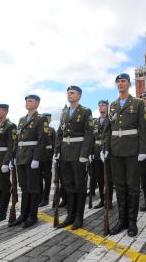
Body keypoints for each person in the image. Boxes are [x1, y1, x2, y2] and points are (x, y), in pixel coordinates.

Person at [102, 73, 146, 237]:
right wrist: (105, 148)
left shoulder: (137, 103)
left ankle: (132, 222)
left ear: (129, 84)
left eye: (123, 81)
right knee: (120, 186)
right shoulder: (112, 105)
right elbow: (107, 130)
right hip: (116, 150)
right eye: (118, 82)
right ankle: (122, 220)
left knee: (133, 187)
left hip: (132, 149)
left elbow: (143, 128)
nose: (120, 83)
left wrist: (144, 150)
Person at [54, 86, 94, 230]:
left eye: (72, 93)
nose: (69, 95)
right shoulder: (64, 112)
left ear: (79, 95)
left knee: (80, 186)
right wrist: (57, 150)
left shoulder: (85, 111)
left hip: (78, 153)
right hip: (65, 153)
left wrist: (84, 154)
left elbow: (89, 134)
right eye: (68, 93)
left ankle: (78, 217)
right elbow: (60, 132)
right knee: (68, 186)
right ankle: (70, 216)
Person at [9, 94, 49, 228]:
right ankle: (23, 214)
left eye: (30, 101)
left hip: (32, 157)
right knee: (24, 187)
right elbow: (17, 139)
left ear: (37, 104)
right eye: (26, 100)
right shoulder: (21, 120)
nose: (27, 102)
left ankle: (33, 216)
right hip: (20, 157)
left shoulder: (41, 118)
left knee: (33, 188)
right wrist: (13, 156)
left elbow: (42, 139)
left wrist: (36, 158)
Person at [91, 100, 113, 209]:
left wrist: (107, 149)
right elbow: (91, 138)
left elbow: (110, 136)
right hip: (96, 152)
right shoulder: (95, 122)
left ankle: (109, 200)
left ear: (107, 107)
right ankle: (102, 199)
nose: (101, 107)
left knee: (108, 178)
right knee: (99, 178)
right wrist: (90, 152)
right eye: (99, 105)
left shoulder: (111, 120)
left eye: (103, 105)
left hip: (107, 152)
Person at [38, 113, 56, 207]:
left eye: (49, 118)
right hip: (38, 157)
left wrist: (54, 155)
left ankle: (45, 198)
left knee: (47, 179)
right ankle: (40, 197)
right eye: (47, 118)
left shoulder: (52, 130)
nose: (49, 120)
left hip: (48, 157)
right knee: (38, 179)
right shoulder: (38, 129)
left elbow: (54, 143)